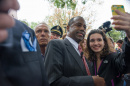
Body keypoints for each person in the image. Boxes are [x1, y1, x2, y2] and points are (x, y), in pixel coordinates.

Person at [44, 16, 106, 86]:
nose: (82, 29)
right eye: (78, 25)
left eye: (84, 27)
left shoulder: (83, 54)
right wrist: (91, 81)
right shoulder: (56, 45)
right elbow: (54, 81)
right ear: (68, 28)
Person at [0, 0, 49, 86]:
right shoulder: (26, 32)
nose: (42, 34)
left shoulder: (27, 32)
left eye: (46, 31)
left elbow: (42, 76)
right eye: (39, 31)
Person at [111, 9, 130, 86]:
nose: (96, 43)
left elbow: (124, 66)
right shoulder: (86, 59)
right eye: (92, 40)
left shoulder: (113, 56)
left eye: (99, 40)